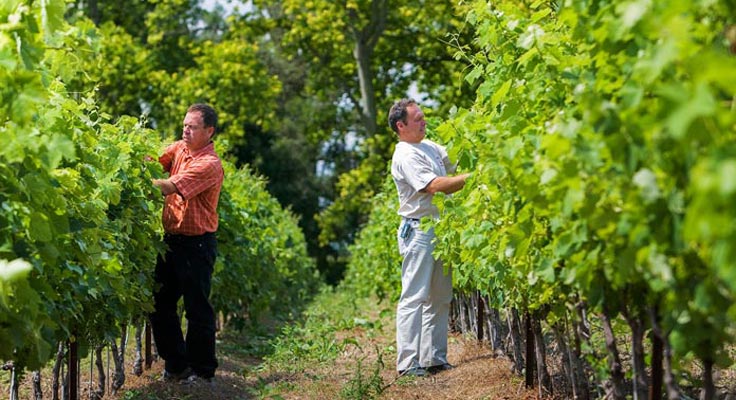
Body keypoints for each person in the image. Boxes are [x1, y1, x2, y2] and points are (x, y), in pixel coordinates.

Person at [388, 98, 470, 377]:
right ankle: (408, 364)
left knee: (440, 295)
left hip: (440, 227)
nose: (424, 121)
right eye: (418, 118)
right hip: (419, 230)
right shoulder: (405, 155)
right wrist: (475, 176)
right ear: (401, 125)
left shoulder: (430, 146)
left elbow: (455, 160)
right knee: (414, 296)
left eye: (424, 117)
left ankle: (434, 358)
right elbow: (435, 185)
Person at [150, 103, 224, 384]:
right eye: (184, 125)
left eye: (192, 127)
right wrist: (138, 161)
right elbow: (156, 160)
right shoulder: (180, 148)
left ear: (209, 131)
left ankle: (203, 372)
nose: (186, 130)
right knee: (159, 304)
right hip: (171, 242)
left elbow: (170, 186)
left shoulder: (209, 164)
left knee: (197, 309)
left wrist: (136, 181)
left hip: (197, 245)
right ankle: (178, 366)